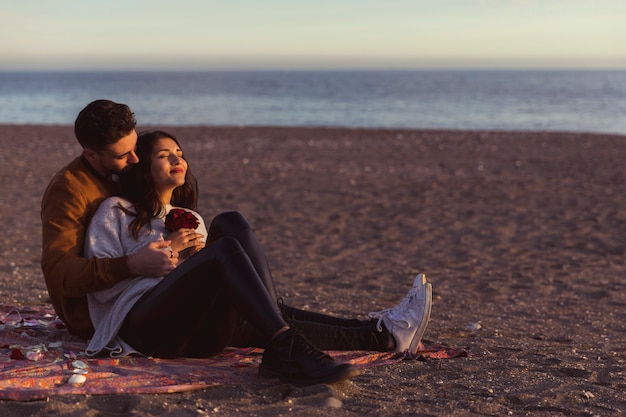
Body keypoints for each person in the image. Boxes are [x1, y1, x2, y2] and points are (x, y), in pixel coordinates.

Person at [41, 100, 433, 385]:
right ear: (91, 154)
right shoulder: (85, 198)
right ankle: (285, 342)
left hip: (172, 311)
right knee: (227, 258)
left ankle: (377, 333)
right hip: (124, 321)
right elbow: (62, 273)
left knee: (231, 227)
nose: (133, 162)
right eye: (124, 157)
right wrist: (136, 264)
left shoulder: (163, 206)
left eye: (136, 152)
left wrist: (183, 257)